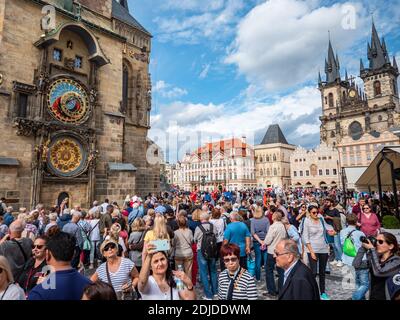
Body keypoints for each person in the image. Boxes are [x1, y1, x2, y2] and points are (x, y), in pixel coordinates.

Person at [28, 231, 92, 300]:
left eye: (39, 246)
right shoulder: (89, 286)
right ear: (74, 254)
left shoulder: (38, 293)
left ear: (47, 254)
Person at [354, 232, 400, 300]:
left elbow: (379, 272)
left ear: (391, 246)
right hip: (373, 296)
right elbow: (356, 264)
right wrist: (363, 249)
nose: (377, 244)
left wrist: (372, 250)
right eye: (376, 241)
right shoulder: (376, 258)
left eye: (380, 241)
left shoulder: (396, 261)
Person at [303, 205, 336, 300]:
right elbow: (305, 237)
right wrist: (311, 252)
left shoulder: (321, 219)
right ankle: (312, 291)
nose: (316, 214)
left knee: (322, 272)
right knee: (313, 272)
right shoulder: (307, 221)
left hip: (324, 249)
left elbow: (327, 229)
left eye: (317, 212)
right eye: (313, 212)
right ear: (309, 213)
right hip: (313, 249)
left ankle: (323, 292)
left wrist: (332, 232)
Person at [340, 214, 368, 300]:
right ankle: (355, 297)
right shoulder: (360, 233)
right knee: (365, 284)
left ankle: (360, 298)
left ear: (347, 222)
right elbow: (365, 245)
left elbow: (342, 245)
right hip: (361, 260)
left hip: (348, 260)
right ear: (356, 222)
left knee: (356, 282)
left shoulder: (342, 232)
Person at [194, 211, 218, 300]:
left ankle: (208, 295)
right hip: (212, 250)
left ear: (201, 219)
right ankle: (215, 291)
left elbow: (195, 239)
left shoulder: (198, 228)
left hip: (201, 251)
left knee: (203, 272)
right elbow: (216, 236)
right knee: (213, 271)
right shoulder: (213, 226)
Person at [263, 210, 287, 297]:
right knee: (281, 272)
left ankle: (271, 290)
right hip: (280, 250)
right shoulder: (282, 226)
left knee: (269, 270)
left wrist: (264, 242)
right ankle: (281, 290)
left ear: (274, 217)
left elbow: (268, 240)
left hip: (272, 250)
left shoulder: (273, 227)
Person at [250, 206, 270, 281]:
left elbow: (253, 233)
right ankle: (268, 277)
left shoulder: (253, 220)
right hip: (265, 240)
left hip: (257, 241)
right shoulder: (266, 220)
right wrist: (263, 241)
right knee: (265, 259)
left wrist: (260, 241)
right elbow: (268, 231)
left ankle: (258, 277)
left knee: (258, 259)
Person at [324, 197, 343, 267]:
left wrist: (330, 217)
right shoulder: (326, 210)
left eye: (327, 202)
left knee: (337, 245)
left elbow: (338, 219)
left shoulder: (336, 211)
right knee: (333, 245)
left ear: (331, 203)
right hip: (328, 229)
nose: (326, 203)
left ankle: (341, 259)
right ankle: (336, 258)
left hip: (335, 229)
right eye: (326, 202)